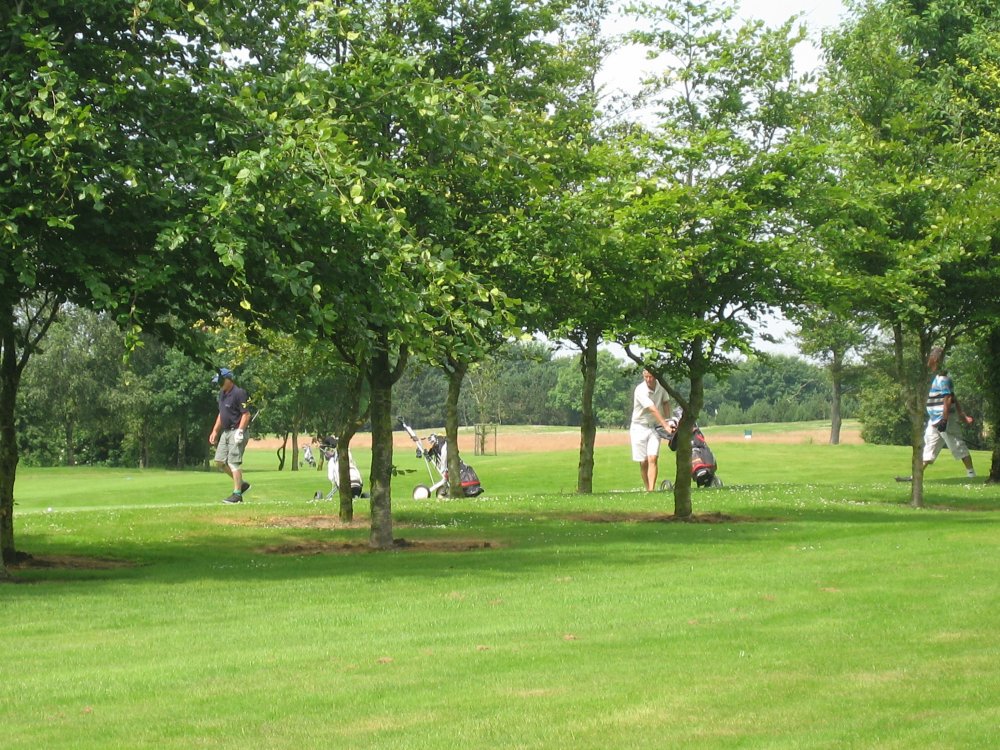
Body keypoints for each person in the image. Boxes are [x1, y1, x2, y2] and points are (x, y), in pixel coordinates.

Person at [922, 346, 976, 479]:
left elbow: (948, 398)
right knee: (930, 446)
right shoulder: (937, 377)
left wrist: (944, 420)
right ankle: (917, 475)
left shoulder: (943, 379)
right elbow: (953, 397)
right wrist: (962, 415)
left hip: (944, 419)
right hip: (935, 420)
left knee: (957, 445)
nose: (927, 360)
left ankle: (971, 473)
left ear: (935, 359)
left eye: (929, 357)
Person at [209, 367, 253, 504]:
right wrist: (215, 431)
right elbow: (221, 414)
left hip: (237, 431)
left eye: (221, 381)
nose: (219, 384)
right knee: (220, 462)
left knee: (233, 462)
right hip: (226, 431)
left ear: (228, 379)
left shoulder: (239, 393)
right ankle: (242, 484)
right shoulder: (222, 394)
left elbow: (246, 414)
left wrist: (240, 431)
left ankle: (237, 495)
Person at [630, 369, 675, 491]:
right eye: (646, 377)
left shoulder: (661, 387)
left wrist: (669, 420)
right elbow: (652, 409)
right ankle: (647, 488)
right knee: (643, 461)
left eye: (651, 377)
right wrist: (665, 426)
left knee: (653, 458)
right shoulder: (640, 390)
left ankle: (651, 490)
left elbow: (665, 403)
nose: (648, 380)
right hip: (639, 426)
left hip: (655, 427)